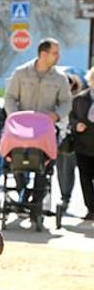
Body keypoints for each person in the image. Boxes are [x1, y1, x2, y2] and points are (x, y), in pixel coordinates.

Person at [3, 38, 72, 216]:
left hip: (45, 132)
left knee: (45, 166)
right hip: (20, 131)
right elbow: (10, 98)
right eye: (55, 52)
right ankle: (22, 191)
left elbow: (66, 103)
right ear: (43, 54)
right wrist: (14, 117)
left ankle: (37, 201)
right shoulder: (21, 73)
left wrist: (56, 115)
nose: (58, 56)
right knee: (13, 159)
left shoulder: (60, 78)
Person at [69, 68, 94, 220]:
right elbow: (71, 117)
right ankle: (91, 209)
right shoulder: (79, 99)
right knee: (85, 179)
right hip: (83, 146)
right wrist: (76, 124)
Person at [57, 74, 84, 210]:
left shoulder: (77, 100)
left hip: (70, 140)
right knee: (60, 170)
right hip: (55, 138)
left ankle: (65, 197)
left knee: (68, 169)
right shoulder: (55, 100)